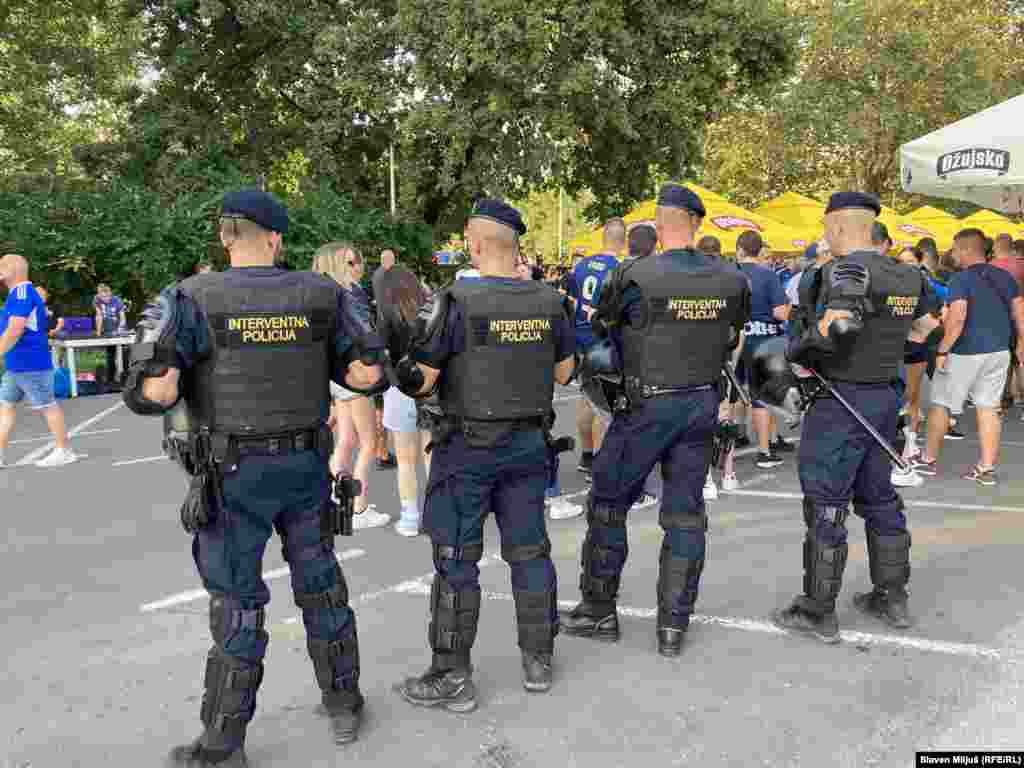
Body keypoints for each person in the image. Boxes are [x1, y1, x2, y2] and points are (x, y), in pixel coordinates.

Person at [121, 189, 388, 765]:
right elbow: (368, 374)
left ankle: (223, 744)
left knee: (237, 602)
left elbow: (155, 392)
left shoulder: (189, 297)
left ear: (224, 237)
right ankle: (343, 703)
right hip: (305, 467)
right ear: (277, 239)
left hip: (230, 472)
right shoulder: (324, 294)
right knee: (321, 585)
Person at [391, 199, 575, 708]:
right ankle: (538, 659)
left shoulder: (452, 301)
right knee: (530, 552)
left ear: (472, 245)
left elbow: (420, 381)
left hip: (467, 447)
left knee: (455, 560)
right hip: (528, 446)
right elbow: (566, 372)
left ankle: (452, 675)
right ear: (515, 246)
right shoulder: (549, 300)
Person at [560, 184, 750, 657]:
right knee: (685, 515)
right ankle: (673, 627)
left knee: (607, 502)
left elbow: (603, 328)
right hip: (700, 404)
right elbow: (730, 339)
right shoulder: (730, 278)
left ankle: (599, 610)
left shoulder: (633, 275)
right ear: (697, 223)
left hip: (646, 406)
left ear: (661, 224)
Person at [766, 191, 934, 643]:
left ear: (838, 226)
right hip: (883, 398)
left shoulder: (838, 272)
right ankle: (891, 597)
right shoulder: (907, 274)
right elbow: (926, 332)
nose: (825, 237)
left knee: (826, 503)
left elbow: (838, 326)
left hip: (839, 400)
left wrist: (799, 350)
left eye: (826, 229)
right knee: (880, 498)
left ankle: (818, 610)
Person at [914, 229, 1024, 486]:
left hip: (965, 351)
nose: (952, 254)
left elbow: (958, 317)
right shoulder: (1006, 278)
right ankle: (986, 468)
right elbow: (1020, 313)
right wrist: (1020, 344)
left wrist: (943, 349)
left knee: (941, 404)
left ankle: (928, 459)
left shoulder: (960, 280)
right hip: (998, 351)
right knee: (988, 408)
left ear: (965, 250)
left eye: (954, 249)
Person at [313, 243, 391, 529]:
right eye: (349, 262)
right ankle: (358, 507)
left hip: (336, 378)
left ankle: (333, 498)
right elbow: (364, 337)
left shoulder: (320, 295)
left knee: (347, 439)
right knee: (370, 441)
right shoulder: (348, 295)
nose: (357, 267)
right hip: (354, 375)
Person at [0, 255, 78, 468]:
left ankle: (64, 450)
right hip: (16, 364)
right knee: (5, 406)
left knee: (47, 406)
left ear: (11, 269)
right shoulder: (16, 295)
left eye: (1, 266)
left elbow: (15, 330)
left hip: (30, 364)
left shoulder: (23, 294)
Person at [375, 264, 432, 536]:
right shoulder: (429, 309)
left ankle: (410, 517)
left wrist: (393, 384)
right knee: (431, 453)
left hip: (399, 389)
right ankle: (437, 514)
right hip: (429, 386)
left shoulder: (385, 315)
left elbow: (381, 356)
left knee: (406, 460)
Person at [568, 218, 625, 479]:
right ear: (622, 241)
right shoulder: (620, 269)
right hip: (603, 342)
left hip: (579, 340)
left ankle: (588, 454)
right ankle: (601, 462)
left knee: (585, 397)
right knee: (606, 405)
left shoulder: (580, 267)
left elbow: (569, 302)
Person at [734, 230, 792, 467]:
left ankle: (736, 435)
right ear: (759, 252)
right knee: (761, 397)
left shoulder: (730, 274)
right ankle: (764, 451)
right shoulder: (768, 276)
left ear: (739, 249)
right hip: (762, 341)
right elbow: (780, 312)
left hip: (734, 341)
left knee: (734, 391)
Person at [94, 282, 129, 387]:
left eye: (107, 296)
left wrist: (120, 329)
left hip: (118, 329)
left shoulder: (117, 300)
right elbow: (99, 315)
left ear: (110, 294)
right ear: (99, 295)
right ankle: (110, 380)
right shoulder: (96, 300)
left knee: (123, 355)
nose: (105, 299)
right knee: (110, 355)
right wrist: (99, 332)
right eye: (102, 297)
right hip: (108, 331)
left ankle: (126, 378)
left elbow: (122, 318)